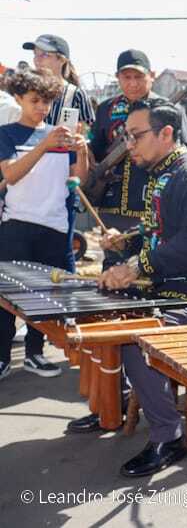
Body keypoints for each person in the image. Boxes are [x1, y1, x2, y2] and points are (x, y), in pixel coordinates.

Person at [85, 99, 187, 476]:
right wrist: (129, 241)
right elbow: (160, 233)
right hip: (166, 286)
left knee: (138, 339)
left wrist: (137, 265)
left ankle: (169, 436)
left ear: (166, 133)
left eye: (136, 136)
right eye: (127, 137)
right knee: (98, 314)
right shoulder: (160, 173)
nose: (130, 145)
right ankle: (108, 404)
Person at [0, 68, 89, 380]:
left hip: (55, 226)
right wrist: (43, 145)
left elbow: (77, 181)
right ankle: (2, 355)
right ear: (19, 99)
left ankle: (35, 354)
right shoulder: (7, 133)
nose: (41, 108)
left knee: (42, 297)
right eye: (35, 100)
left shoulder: (59, 135)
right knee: (7, 296)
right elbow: (10, 175)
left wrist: (82, 151)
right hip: (16, 224)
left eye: (47, 102)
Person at [88, 49, 187, 254]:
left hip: (153, 207)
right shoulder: (105, 109)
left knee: (151, 268)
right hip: (112, 207)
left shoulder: (169, 110)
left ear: (151, 76)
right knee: (113, 268)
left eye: (139, 77)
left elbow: (186, 152)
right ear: (117, 77)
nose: (133, 83)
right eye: (126, 77)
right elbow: (95, 151)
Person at [24, 34, 96, 273]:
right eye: (35, 53)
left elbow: (81, 140)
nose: (37, 59)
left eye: (43, 54)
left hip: (59, 184)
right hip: (23, 182)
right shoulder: (24, 93)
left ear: (61, 60)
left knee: (57, 253)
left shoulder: (73, 95)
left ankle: (61, 308)